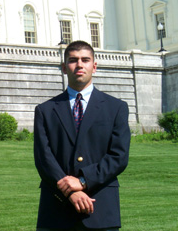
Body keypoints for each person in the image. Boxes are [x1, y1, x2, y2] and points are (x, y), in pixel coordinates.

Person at [34, 40, 131, 231]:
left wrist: (82, 182)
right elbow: (44, 159)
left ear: (94, 66)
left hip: (100, 209)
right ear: (64, 67)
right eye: (73, 60)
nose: (79, 64)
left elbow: (118, 157)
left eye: (85, 60)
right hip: (56, 211)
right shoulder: (45, 110)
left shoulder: (116, 108)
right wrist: (70, 193)